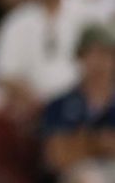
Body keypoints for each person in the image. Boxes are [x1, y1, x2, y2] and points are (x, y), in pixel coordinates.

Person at [0, 0, 109, 115]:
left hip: (87, 100)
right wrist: (37, 101)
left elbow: (105, 61)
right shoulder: (17, 21)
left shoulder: (91, 12)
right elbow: (5, 74)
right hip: (33, 105)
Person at [41, 25, 115, 173]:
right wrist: (97, 144)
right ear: (80, 58)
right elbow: (57, 158)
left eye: (106, 54)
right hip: (77, 177)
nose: (99, 62)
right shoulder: (60, 104)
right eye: (91, 54)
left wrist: (79, 143)